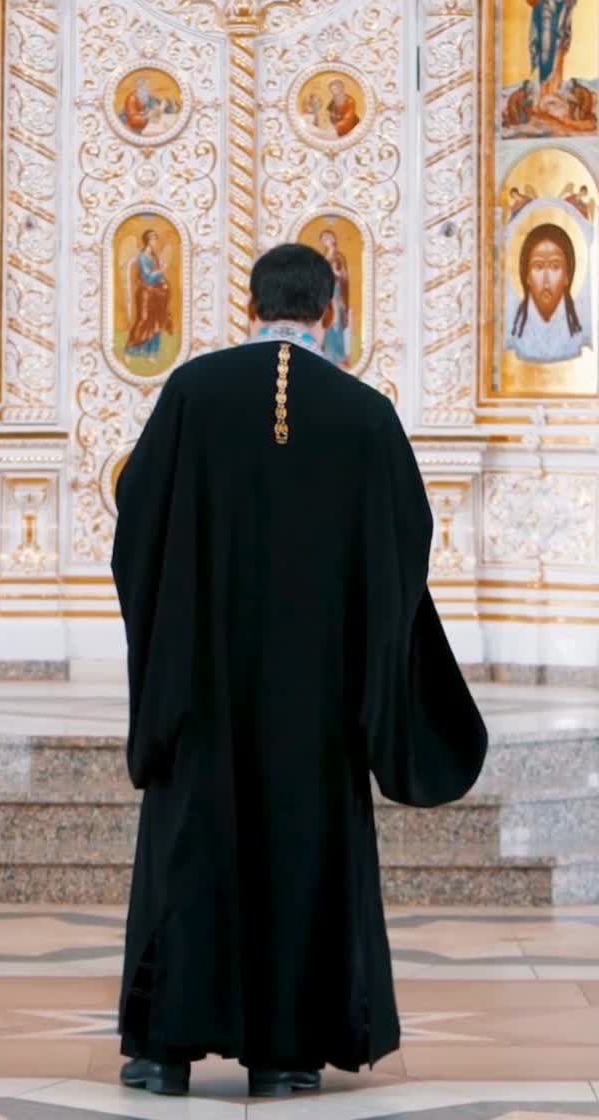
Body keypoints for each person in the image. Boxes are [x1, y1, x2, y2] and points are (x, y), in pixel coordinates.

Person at [111, 243, 488, 1099]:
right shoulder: (364, 415)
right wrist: (370, 666)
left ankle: (162, 1051)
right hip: (317, 707)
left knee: (188, 846)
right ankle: (286, 1057)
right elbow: (404, 553)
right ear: (329, 311)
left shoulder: (191, 394)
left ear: (251, 306)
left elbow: (137, 526)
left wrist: (171, 646)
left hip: (202, 691)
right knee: (305, 849)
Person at [507, 222, 588, 363]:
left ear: (567, 276)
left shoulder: (583, 326)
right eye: (538, 266)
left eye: (555, 267)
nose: (546, 280)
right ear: (527, 276)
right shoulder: (511, 327)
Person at [525, 0, 576, 105]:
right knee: (545, 52)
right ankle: (544, 90)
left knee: (558, 51)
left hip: (557, 18)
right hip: (544, 17)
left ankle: (554, 91)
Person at [124, 229, 172, 361]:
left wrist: (164, 282)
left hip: (156, 295)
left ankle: (152, 353)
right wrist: (161, 271)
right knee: (144, 321)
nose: (156, 241)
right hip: (146, 295)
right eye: (154, 238)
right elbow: (148, 277)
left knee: (157, 323)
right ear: (148, 241)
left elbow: (157, 277)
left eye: (157, 238)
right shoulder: (143, 257)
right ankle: (130, 350)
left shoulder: (154, 257)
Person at [319, 228, 350, 366]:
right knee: (328, 321)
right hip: (327, 293)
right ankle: (328, 354)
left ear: (333, 239)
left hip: (336, 293)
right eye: (324, 238)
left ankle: (338, 355)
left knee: (336, 321)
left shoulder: (339, 257)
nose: (326, 240)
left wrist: (336, 274)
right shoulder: (324, 256)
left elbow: (344, 277)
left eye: (328, 237)